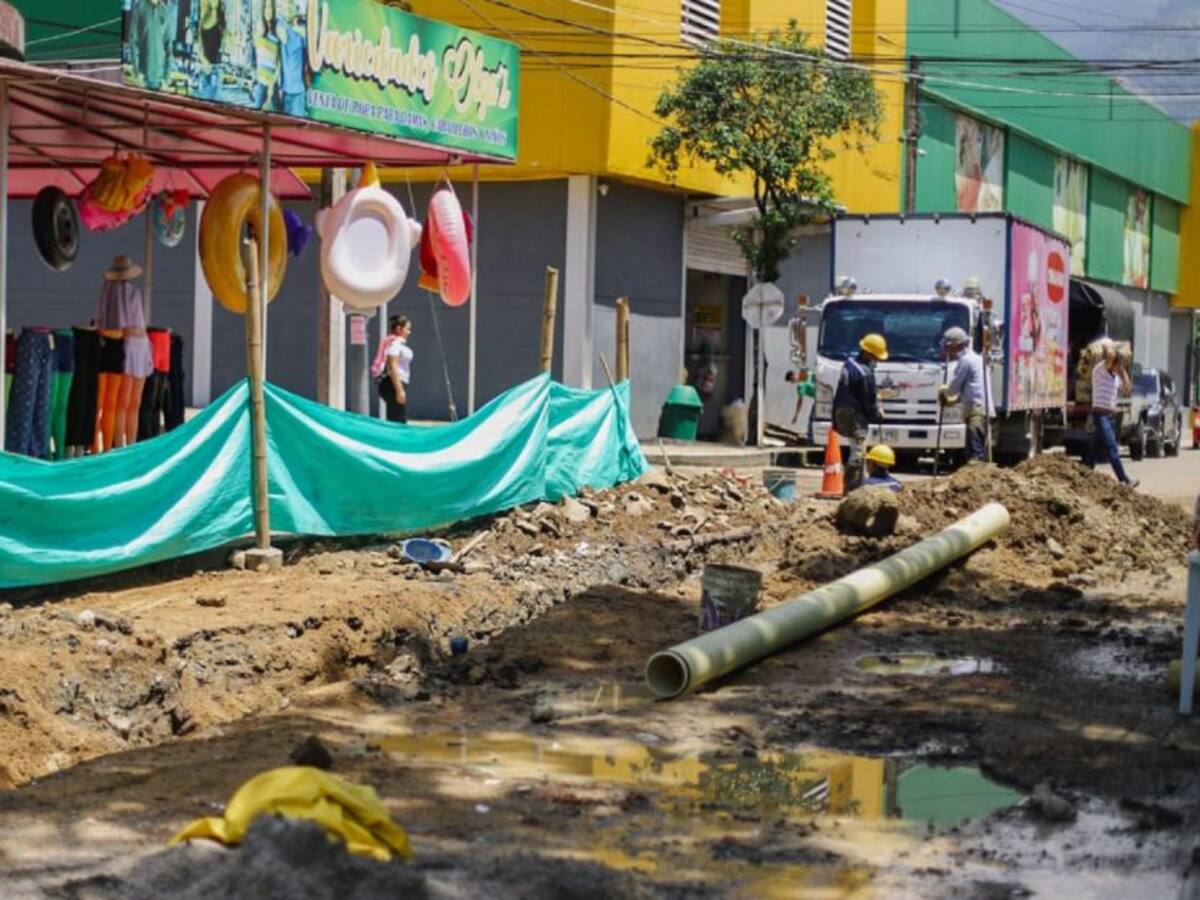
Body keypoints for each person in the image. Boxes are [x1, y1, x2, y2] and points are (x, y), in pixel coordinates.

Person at [832, 333, 887, 491]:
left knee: (853, 449)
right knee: (858, 452)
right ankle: (852, 486)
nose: (876, 361)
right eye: (876, 357)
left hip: (841, 410)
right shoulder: (865, 374)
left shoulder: (848, 364)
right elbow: (869, 402)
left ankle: (854, 484)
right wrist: (877, 415)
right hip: (855, 415)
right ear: (867, 353)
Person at [1087, 342, 1138, 488]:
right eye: (1118, 365)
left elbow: (1127, 388)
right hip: (1100, 415)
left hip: (1109, 416)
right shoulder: (1100, 370)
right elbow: (1111, 355)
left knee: (1094, 448)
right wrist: (1120, 353)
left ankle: (1086, 472)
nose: (1119, 368)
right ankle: (1124, 479)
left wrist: (1125, 377)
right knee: (1111, 448)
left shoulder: (1115, 377)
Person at [938, 326, 992, 462]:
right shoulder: (977, 359)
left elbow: (954, 388)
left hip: (976, 409)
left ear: (956, 345)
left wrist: (944, 392)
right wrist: (954, 400)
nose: (947, 350)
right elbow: (968, 389)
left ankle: (977, 472)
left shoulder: (965, 361)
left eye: (948, 346)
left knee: (975, 449)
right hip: (981, 407)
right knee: (977, 445)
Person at [376, 315, 413, 423]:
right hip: (394, 384)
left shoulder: (398, 343)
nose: (409, 332)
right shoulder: (395, 344)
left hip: (397, 383)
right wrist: (399, 390)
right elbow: (393, 366)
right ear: (399, 329)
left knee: (398, 417)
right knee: (398, 420)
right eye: (407, 329)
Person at [785, 369, 816, 443]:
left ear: (793, 375)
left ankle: (810, 441)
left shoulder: (804, 377)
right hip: (820, 398)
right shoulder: (801, 384)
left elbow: (800, 401)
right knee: (813, 419)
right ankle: (812, 440)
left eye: (791, 380)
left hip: (821, 397)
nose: (792, 383)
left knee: (811, 420)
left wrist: (796, 415)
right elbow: (800, 401)